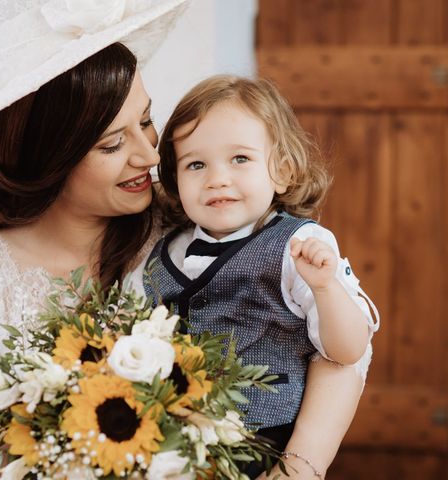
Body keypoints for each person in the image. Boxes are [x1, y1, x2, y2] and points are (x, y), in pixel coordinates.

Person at [0, 2, 372, 480]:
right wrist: (67, 411)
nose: (150, 155)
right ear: (49, 159)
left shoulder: (191, 221)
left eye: (145, 120)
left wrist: (300, 468)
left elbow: (337, 346)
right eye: (111, 144)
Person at [131, 75, 379, 476]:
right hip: (178, 440)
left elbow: (348, 351)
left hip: (265, 440)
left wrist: (325, 287)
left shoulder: (298, 246)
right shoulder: (166, 251)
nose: (217, 178)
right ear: (176, 181)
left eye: (240, 159)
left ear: (281, 171)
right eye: (196, 164)